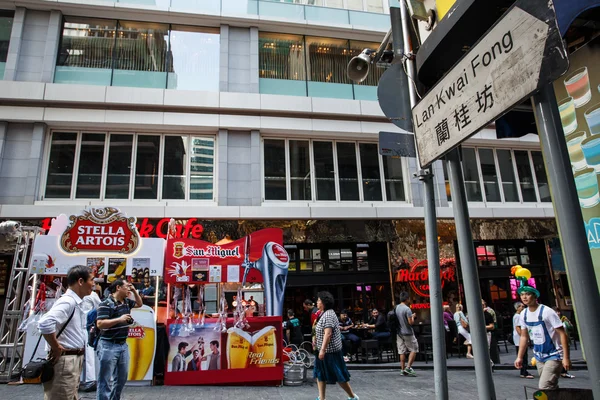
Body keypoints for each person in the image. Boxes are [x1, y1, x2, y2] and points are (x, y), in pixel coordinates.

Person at [38, 265, 94, 400]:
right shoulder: (68, 301)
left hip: (72, 360)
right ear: (81, 281)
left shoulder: (75, 302)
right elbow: (45, 323)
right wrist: (56, 347)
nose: (93, 284)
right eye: (92, 280)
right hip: (65, 360)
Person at [514, 283, 571, 390]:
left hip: (554, 354)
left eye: (527, 294)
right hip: (539, 356)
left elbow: (562, 334)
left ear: (535, 296)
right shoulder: (523, 314)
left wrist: (566, 357)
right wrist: (520, 357)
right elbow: (524, 337)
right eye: (522, 295)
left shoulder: (547, 312)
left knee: (544, 386)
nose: (524, 297)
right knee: (551, 387)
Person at [96, 280, 143, 400]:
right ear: (118, 287)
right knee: (104, 380)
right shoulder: (106, 303)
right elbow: (100, 324)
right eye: (127, 287)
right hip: (108, 345)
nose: (129, 289)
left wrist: (134, 291)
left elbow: (139, 304)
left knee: (121, 379)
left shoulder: (126, 302)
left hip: (123, 345)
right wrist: (119, 319)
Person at [313, 291, 359, 400]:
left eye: (318, 300)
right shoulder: (323, 313)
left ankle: (352, 396)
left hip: (330, 352)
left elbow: (328, 333)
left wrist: (322, 350)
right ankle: (322, 398)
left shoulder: (328, 314)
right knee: (320, 374)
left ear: (324, 302)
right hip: (322, 350)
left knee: (339, 376)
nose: (317, 302)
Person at [81, 287, 102, 392]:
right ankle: (81, 379)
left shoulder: (92, 295)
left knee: (89, 355)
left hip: (87, 327)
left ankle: (90, 380)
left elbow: (99, 307)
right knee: (79, 354)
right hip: (78, 327)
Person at [395, 291, 419, 377]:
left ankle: (402, 369)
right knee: (414, 349)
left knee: (402, 351)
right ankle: (408, 367)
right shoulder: (407, 309)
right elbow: (410, 323)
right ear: (407, 299)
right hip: (407, 332)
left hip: (399, 332)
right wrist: (413, 316)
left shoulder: (396, 308)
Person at [513, 302, 534, 379]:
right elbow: (518, 328)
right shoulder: (518, 316)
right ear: (517, 308)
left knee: (523, 355)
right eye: (521, 306)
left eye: (523, 306)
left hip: (518, 339)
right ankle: (523, 371)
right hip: (519, 339)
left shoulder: (517, 316)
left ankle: (524, 370)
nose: (523, 308)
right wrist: (524, 337)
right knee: (523, 355)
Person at [553, 307, 575, 379]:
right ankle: (563, 372)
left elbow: (570, 327)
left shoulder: (563, 319)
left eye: (558, 312)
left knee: (565, 355)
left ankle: (563, 371)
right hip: (558, 342)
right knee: (562, 356)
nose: (558, 313)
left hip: (565, 340)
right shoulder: (552, 321)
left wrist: (567, 322)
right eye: (556, 312)